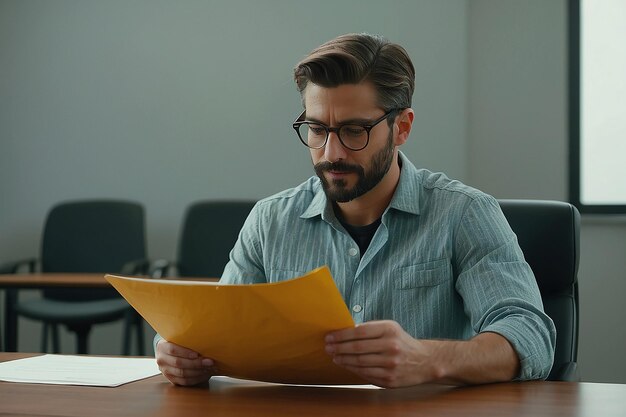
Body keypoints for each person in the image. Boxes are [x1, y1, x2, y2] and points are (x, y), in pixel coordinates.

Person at [155, 33, 556, 388]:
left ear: (402, 127)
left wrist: (427, 359)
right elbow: (213, 331)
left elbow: (530, 338)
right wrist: (178, 354)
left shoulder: (465, 214)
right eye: (317, 129)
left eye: (353, 131)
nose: (331, 153)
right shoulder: (270, 220)